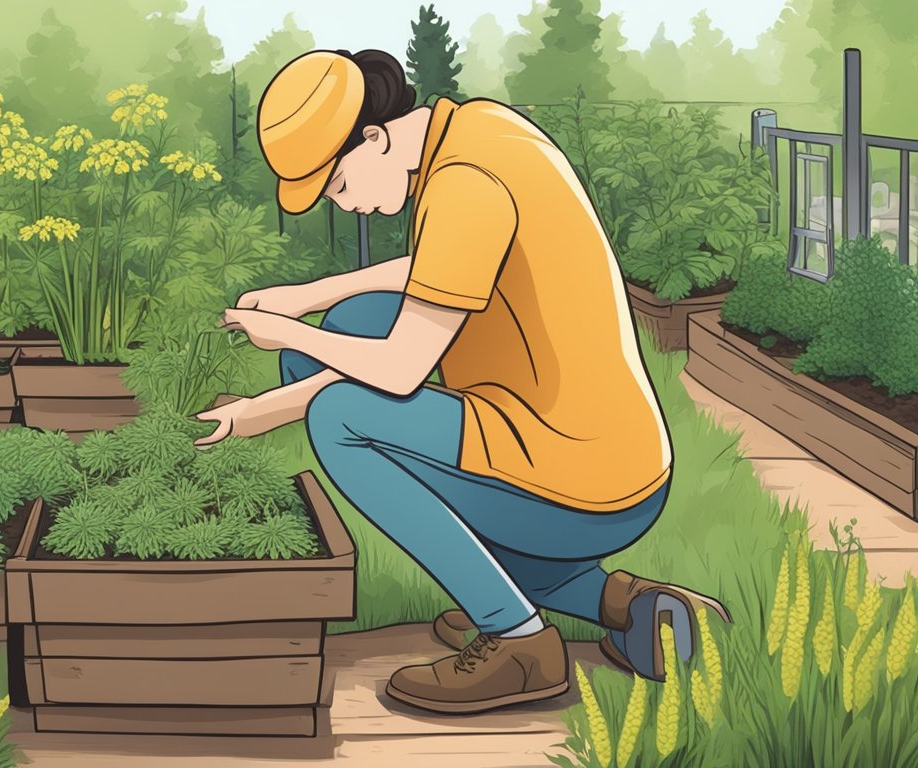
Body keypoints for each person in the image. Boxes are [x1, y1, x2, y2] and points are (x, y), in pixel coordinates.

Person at [191, 49, 732, 716]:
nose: (348, 205)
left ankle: (520, 642)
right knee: (353, 322)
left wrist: (289, 340)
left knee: (337, 417)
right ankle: (622, 604)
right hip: (583, 444)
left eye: (337, 186)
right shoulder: (472, 134)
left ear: (374, 138)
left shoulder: (466, 180)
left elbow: (397, 370)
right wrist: (306, 302)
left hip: (585, 478)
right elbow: (438, 265)